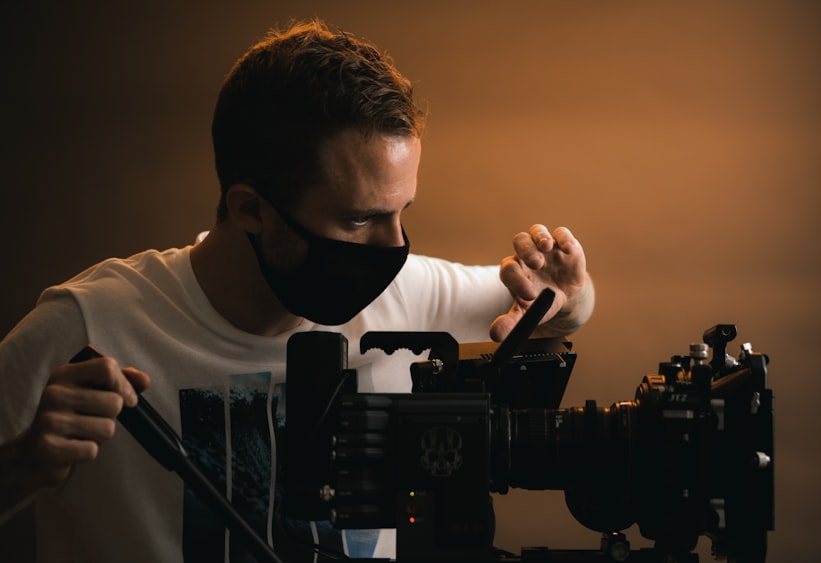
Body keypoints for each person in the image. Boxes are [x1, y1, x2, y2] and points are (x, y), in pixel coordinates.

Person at [0, 19, 594, 562]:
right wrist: (24, 465)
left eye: (401, 210)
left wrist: (569, 293)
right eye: (359, 219)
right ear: (252, 208)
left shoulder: (409, 292)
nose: (394, 248)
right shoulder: (88, 328)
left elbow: (556, 316)